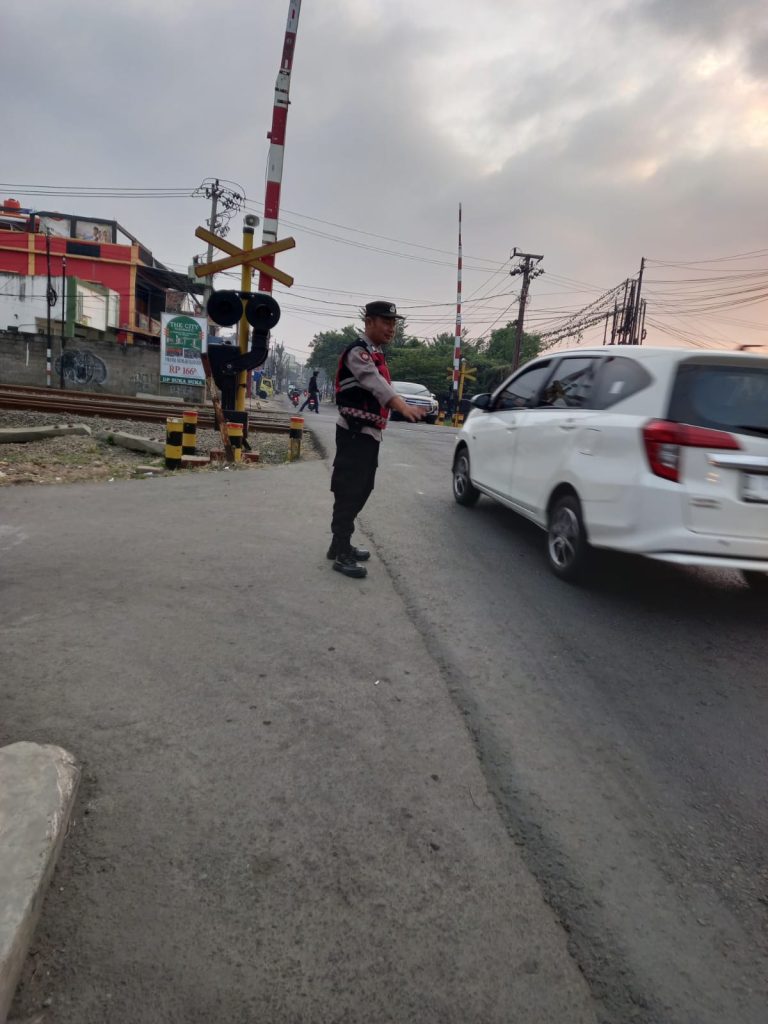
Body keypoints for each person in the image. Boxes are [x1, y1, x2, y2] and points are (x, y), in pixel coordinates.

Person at [328, 300, 426, 578]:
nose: (391, 328)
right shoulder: (357, 353)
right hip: (353, 432)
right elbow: (375, 383)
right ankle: (341, 548)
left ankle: (339, 544)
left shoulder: (376, 354)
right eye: (385, 322)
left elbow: (380, 385)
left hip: (369, 434)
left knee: (363, 488)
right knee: (349, 489)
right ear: (369, 322)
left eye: (394, 323)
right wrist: (402, 406)